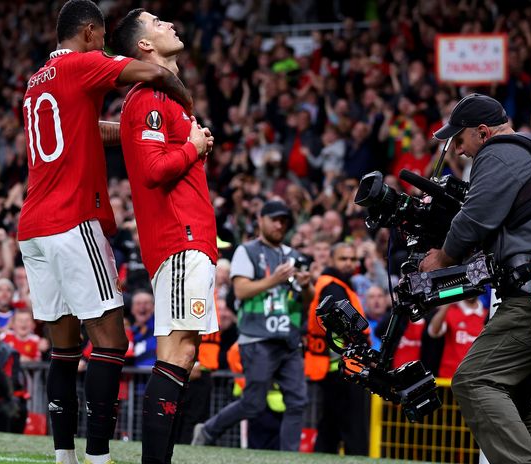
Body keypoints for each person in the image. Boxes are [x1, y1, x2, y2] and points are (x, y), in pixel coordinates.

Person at [15, 2, 192, 464]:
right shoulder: (82, 63)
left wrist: (132, 130)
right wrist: (187, 107)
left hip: (32, 226)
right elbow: (152, 73)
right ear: (90, 33)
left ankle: (64, 457)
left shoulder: (36, 82)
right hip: (72, 219)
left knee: (64, 348)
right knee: (112, 342)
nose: (105, 45)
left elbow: (88, 131)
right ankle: (98, 457)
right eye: (102, 38)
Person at [419, 93, 531, 463]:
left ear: (482, 132)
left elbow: (476, 217)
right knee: (514, 393)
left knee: (473, 380)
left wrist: (443, 256)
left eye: (459, 139)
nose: (458, 150)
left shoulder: (499, 151)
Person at [113, 10, 217, 462]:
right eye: (157, 23)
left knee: (185, 353)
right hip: (179, 236)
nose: (169, 24)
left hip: (192, 238)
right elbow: (153, 170)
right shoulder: (148, 97)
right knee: (176, 352)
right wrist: (193, 147)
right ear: (144, 46)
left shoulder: (170, 98)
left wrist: (195, 147)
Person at [192, 200, 312, 452]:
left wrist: (306, 286)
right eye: (274, 219)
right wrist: (274, 279)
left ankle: (290, 458)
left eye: (284, 221)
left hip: (289, 338)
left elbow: (307, 301)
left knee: (298, 402)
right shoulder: (246, 251)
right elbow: (241, 290)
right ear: (260, 220)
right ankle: (208, 430)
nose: (280, 225)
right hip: (257, 338)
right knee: (253, 403)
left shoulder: (295, 256)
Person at [306, 243, 369, 455]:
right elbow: (347, 324)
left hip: (333, 366)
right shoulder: (333, 286)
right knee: (353, 429)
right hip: (343, 367)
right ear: (331, 260)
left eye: (352, 259)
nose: (349, 263)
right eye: (343, 259)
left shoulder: (334, 284)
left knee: (330, 427)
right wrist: (364, 347)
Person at [427, 296, 486, 379]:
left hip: (476, 379)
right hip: (449, 378)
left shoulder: (488, 315)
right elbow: (433, 332)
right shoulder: (451, 311)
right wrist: (446, 305)